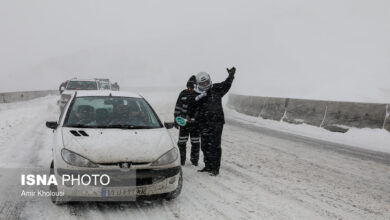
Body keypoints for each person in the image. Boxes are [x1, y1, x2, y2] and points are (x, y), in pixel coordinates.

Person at [194, 67, 236, 176]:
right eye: (202, 83)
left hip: (217, 122)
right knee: (205, 145)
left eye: (206, 82)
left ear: (210, 80)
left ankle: (215, 169)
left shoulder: (216, 88)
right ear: (198, 84)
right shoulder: (197, 95)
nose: (205, 84)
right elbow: (194, 108)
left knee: (215, 146)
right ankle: (208, 166)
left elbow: (226, 85)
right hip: (204, 123)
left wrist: (230, 76)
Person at [174, 75, 201, 166]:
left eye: (192, 87)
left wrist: (197, 119)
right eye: (189, 87)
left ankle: (194, 161)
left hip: (195, 125)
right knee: (181, 142)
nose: (190, 89)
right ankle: (181, 161)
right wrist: (176, 119)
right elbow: (177, 107)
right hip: (183, 124)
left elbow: (202, 110)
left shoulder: (199, 95)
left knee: (195, 143)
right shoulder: (183, 94)